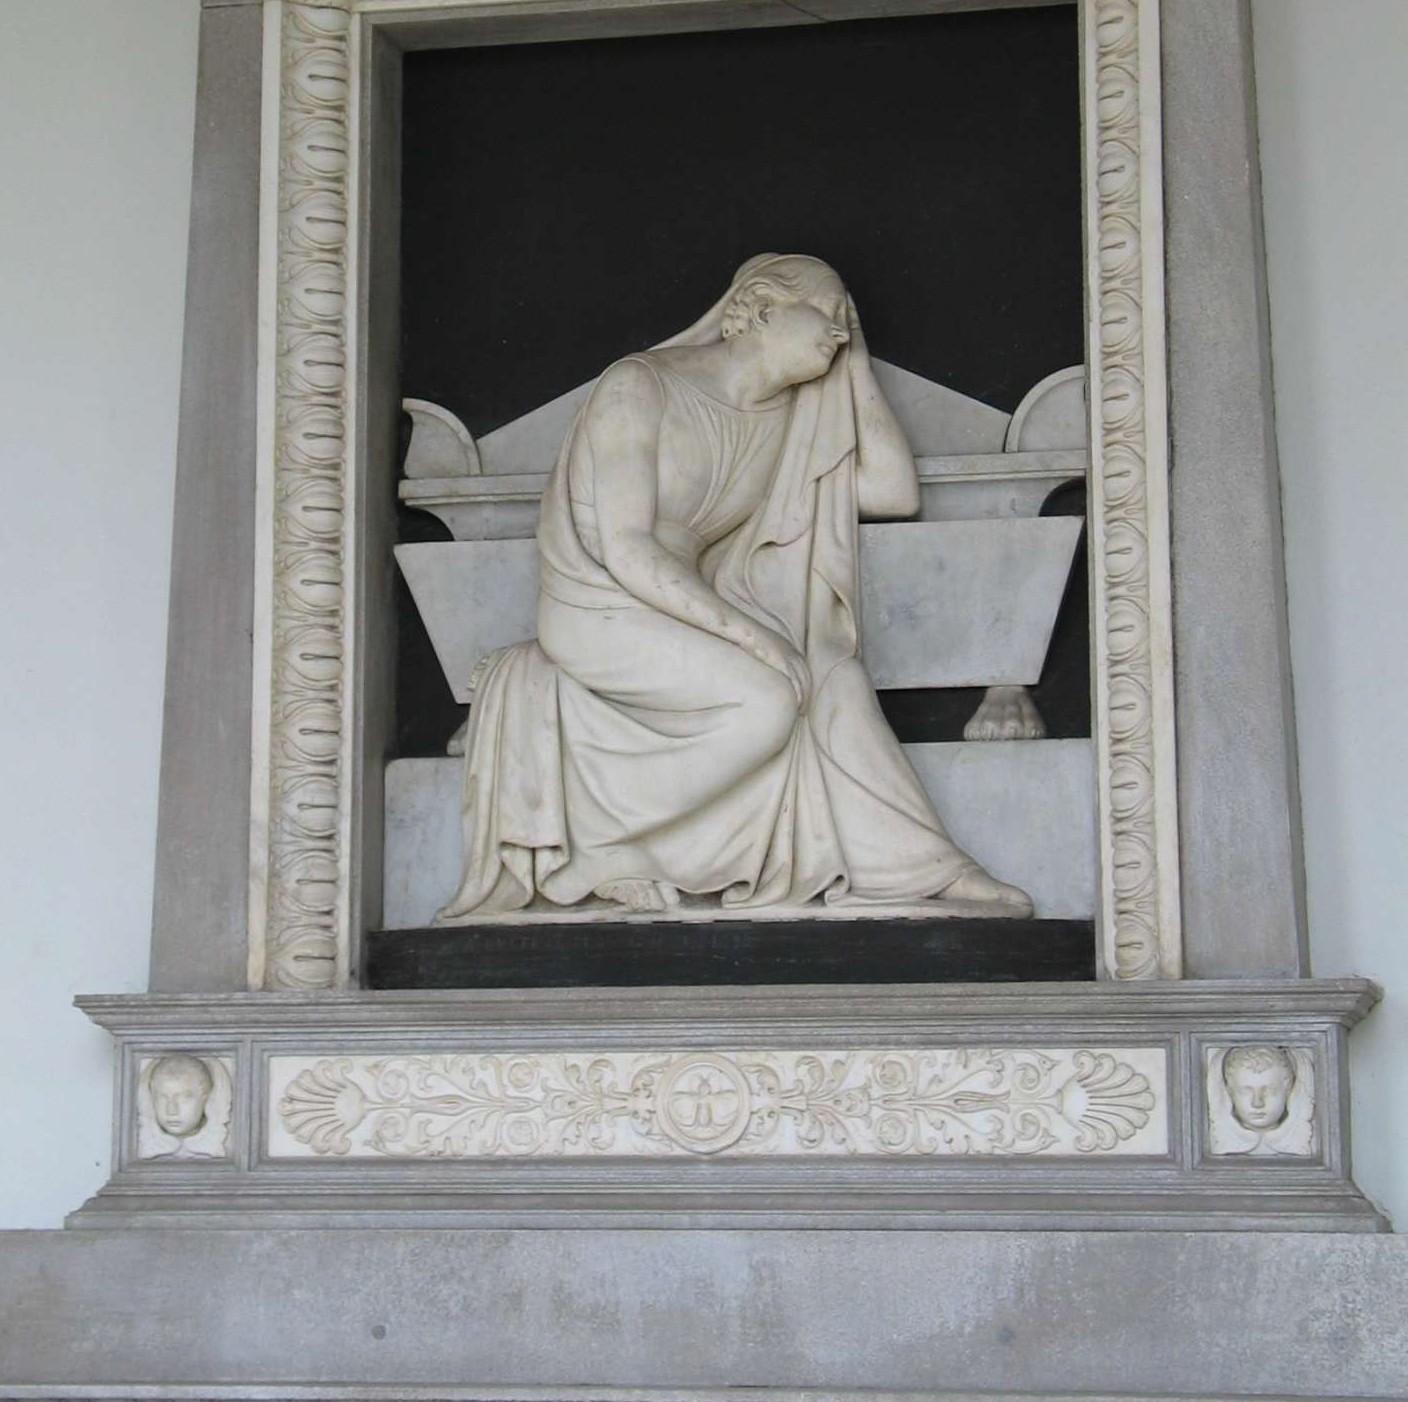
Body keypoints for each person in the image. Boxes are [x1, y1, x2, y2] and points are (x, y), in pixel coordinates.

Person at [440, 254, 1032, 922]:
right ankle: (600, 847)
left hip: (685, 603)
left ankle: (928, 867)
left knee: (835, 679)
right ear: (760, 308)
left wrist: (858, 364)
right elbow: (627, 548)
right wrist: (754, 637)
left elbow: (893, 491)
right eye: (827, 312)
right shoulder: (640, 385)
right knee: (768, 700)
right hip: (603, 604)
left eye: (847, 321)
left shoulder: (787, 422)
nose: (839, 330)